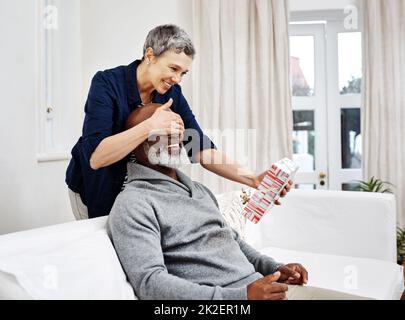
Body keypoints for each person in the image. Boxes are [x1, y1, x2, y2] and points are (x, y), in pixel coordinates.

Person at [107, 105, 368, 300]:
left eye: (177, 129)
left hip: (266, 290)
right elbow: (150, 284)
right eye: (162, 131)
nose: (175, 137)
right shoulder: (133, 204)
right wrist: (241, 297)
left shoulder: (198, 190)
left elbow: (235, 242)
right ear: (135, 143)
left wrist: (276, 268)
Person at [66, 24, 275, 220]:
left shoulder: (172, 93)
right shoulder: (107, 83)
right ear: (150, 55)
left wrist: (253, 179)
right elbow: (96, 158)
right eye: (173, 68)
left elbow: (200, 148)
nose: (177, 79)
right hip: (92, 185)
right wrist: (150, 126)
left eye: (183, 73)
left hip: (134, 194)